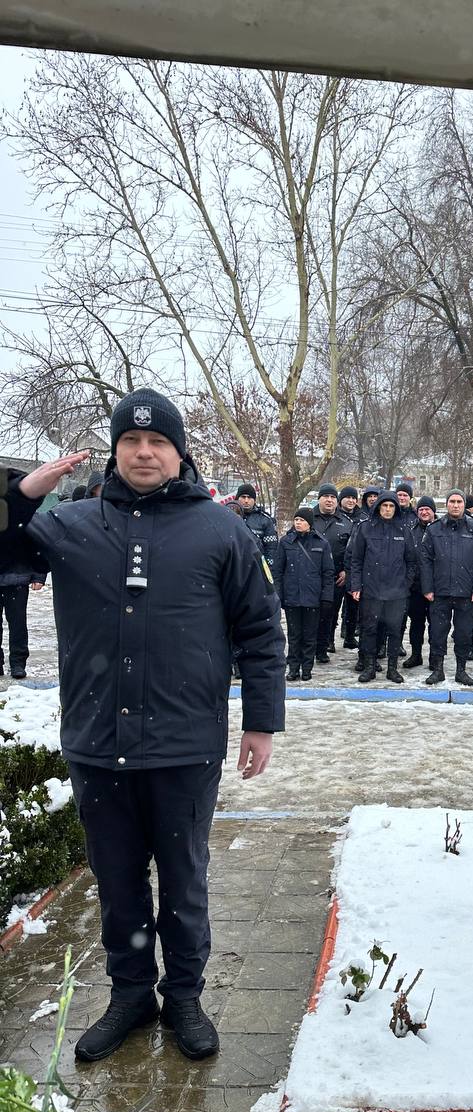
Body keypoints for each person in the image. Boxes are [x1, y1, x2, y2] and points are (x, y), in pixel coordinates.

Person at [3, 388, 285, 1062]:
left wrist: (261, 722)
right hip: (97, 743)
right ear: (114, 450)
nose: (144, 452)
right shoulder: (70, 523)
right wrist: (20, 498)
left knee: (183, 883)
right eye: (131, 440)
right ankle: (131, 995)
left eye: (158, 441)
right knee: (118, 881)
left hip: (185, 745)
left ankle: (183, 997)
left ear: (179, 452)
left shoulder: (221, 530)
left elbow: (260, 630)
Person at [420, 489, 473, 686]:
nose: (456, 505)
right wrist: (427, 588)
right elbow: (425, 560)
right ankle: (438, 670)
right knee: (437, 633)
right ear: (447, 504)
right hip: (440, 592)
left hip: (466, 593)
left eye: (459, 502)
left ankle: (461, 670)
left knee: (464, 633)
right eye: (452, 501)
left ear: (464, 505)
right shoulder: (434, 529)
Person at [348, 490, 416, 683]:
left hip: (397, 592)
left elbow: (411, 561)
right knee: (369, 629)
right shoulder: (365, 528)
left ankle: (392, 669)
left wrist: (405, 584)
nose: (387, 509)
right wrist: (356, 585)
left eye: (391, 506)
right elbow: (356, 560)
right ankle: (369, 667)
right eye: (384, 506)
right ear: (378, 507)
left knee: (394, 630)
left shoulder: (404, 530)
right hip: (371, 590)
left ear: (396, 508)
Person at [275, 507, 335, 681]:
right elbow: (278, 571)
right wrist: (278, 594)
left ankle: (307, 668)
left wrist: (327, 597)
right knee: (294, 635)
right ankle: (293, 668)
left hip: (313, 597)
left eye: (302, 520)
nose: (298, 523)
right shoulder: (286, 542)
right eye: (296, 520)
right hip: (292, 596)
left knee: (310, 635)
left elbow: (328, 573)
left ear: (309, 523)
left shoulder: (321, 543)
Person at [312, 483, 352, 657]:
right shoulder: (308, 518)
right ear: (319, 499)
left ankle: (326, 643)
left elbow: (352, 551)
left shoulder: (346, 523)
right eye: (326, 497)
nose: (329, 500)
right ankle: (309, 645)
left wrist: (346, 570)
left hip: (336, 576)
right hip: (310, 575)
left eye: (333, 497)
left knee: (331, 611)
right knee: (311, 612)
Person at [0, 540, 46, 679]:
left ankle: (18, 663)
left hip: (17, 577)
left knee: (18, 623)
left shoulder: (21, 525)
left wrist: (39, 574)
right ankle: (17, 663)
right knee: (18, 623)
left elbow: (36, 542)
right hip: (18, 575)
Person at [402, 497, 437, 669]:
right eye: (421, 509)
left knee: (435, 625)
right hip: (415, 587)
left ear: (433, 511)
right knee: (416, 623)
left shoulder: (441, 528)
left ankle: (434, 657)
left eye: (427, 509)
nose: (424, 512)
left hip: (436, 587)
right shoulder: (410, 530)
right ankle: (416, 654)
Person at [337, 486, 363, 647]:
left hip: (353, 568)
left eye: (354, 498)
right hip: (336, 568)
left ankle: (349, 635)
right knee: (332, 607)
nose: (351, 500)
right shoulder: (335, 516)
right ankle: (328, 640)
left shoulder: (362, 517)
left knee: (353, 606)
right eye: (348, 497)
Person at [235, 483, 279, 574]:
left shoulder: (265, 520)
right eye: (243, 497)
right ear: (237, 498)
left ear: (254, 500)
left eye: (249, 497)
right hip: (233, 567)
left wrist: (267, 571)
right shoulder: (227, 516)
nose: (246, 501)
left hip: (255, 569)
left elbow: (271, 549)